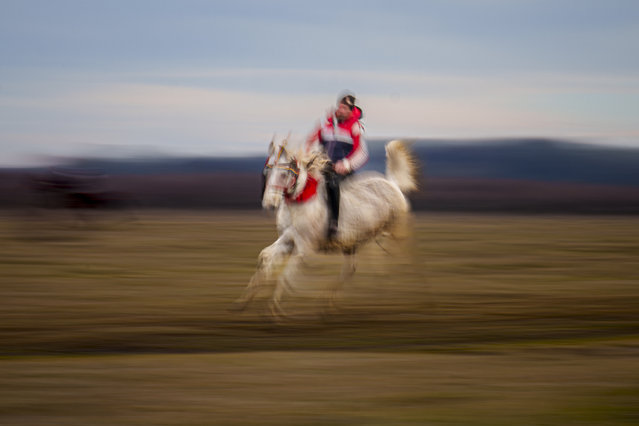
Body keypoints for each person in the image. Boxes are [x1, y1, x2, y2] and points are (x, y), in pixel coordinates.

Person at [305, 92, 369, 239]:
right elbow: (315, 141)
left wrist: (346, 164)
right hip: (325, 165)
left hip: (342, 169)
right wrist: (310, 148)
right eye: (340, 106)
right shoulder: (326, 124)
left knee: (332, 184)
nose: (341, 110)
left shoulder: (355, 128)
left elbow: (362, 153)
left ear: (351, 111)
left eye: (345, 108)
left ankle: (334, 224)